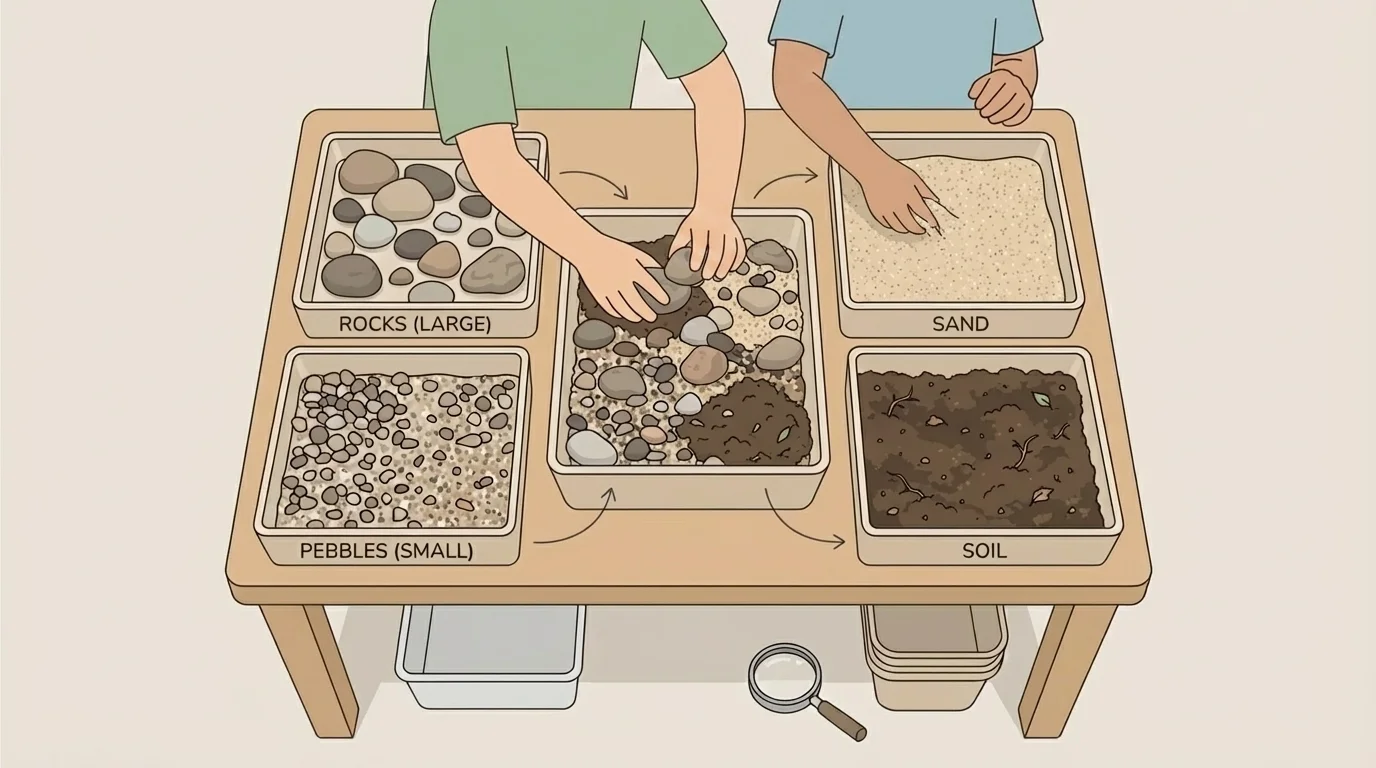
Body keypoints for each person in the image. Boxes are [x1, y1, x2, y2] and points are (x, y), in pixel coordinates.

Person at [426, 0, 747, 323]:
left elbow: (715, 86)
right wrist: (591, 252)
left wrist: (714, 206)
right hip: (471, 189)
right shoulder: (465, 10)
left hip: (592, 168)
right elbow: (490, 157)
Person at [769, 0, 1043, 235]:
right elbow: (794, 79)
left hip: (969, 166)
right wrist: (874, 170)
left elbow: (1015, 60)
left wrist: (1012, 84)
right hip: (843, 153)